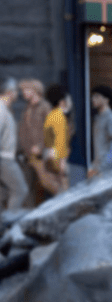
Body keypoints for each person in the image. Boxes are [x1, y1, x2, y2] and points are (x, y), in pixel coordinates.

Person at [17, 78, 51, 206]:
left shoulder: (44, 107)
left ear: (35, 90)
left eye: (26, 90)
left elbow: (51, 131)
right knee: (28, 189)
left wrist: (40, 147)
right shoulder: (27, 108)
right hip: (27, 156)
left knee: (46, 185)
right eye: (22, 90)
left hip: (40, 156)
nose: (23, 93)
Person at [0, 78, 29, 210]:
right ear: (10, 92)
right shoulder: (1, 110)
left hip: (5, 158)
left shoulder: (5, 109)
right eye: (16, 91)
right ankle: (10, 220)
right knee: (20, 190)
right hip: (4, 159)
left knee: (2, 194)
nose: (18, 93)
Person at [41, 84, 72, 196]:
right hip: (57, 158)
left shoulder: (51, 115)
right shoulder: (59, 116)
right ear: (62, 102)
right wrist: (62, 163)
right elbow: (60, 141)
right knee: (63, 193)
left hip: (49, 156)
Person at [88, 85, 112, 178]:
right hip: (100, 169)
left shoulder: (111, 118)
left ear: (106, 100)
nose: (93, 99)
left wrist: (100, 167)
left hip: (111, 171)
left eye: (97, 96)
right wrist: (94, 167)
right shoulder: (98, 118)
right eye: (92, 96)